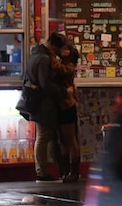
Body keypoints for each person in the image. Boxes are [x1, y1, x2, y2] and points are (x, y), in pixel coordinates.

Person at [22, 32, 67, 181]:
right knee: (43, 136)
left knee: (44, 136)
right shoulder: (44, 58)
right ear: (53, 46)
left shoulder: (35, 54)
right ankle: (41, 172)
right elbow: (45, 83)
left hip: (34, 99)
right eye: (58, 49)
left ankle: (44, 170)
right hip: (42, 102)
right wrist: (63, 91)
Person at [54, 39, 82, 183]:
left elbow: (59, 70)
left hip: (67, 104)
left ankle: (74, 172)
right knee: (63, 139)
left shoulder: (68, 66)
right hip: (61, 104)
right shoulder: (63, 64)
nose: (63, 51)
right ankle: (65, 171)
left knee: (70, 138)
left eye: (65, 49)